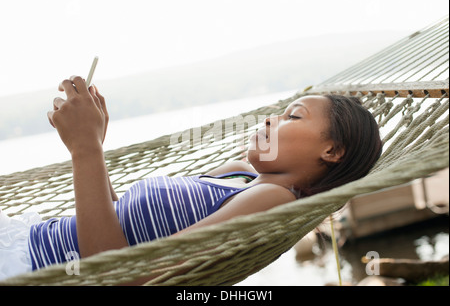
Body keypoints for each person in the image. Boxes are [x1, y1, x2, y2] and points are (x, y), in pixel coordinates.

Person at [0, 76, 382, 281]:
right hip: (26, 237)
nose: (270, 119)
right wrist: (92, 141)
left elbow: (121, 274)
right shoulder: (241, 175)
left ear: (332, 151)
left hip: (34, 268)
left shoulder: (274, 200)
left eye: (293, 116)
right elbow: (122, 223)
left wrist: (86, 151)